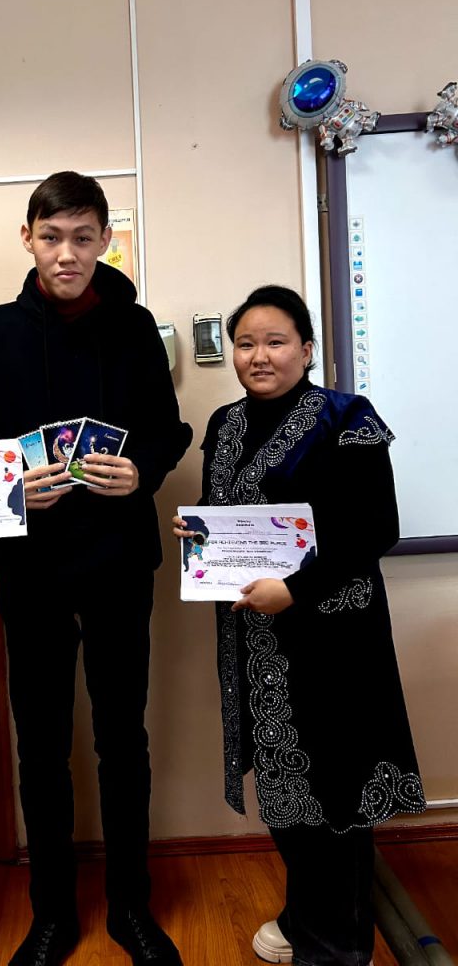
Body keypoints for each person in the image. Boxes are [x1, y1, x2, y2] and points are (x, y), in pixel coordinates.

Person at [0, 171, 192, 966]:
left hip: (119, 562)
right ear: (28, 239)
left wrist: (140, 472)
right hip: (32, 567)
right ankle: (51, 914)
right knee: (42, 746)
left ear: (105, 241)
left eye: (84, 238)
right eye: (51, 237)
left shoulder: (136, 326)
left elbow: (169, 432)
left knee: (123, 740)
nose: (67, 254)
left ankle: (130, 907)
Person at [174, 285, 425, 966]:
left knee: (334, 796)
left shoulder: (347, 418)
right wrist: (200, 536)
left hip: (332, 640)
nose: (259, 355)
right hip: (254, 640)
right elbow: (228, 516)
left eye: (276, 341)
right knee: (284, 788)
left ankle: (337, 947)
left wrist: (296, 588)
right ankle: (310, 916)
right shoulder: (225, 423)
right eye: (246, 343)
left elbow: (376, 527)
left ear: (307, 350)